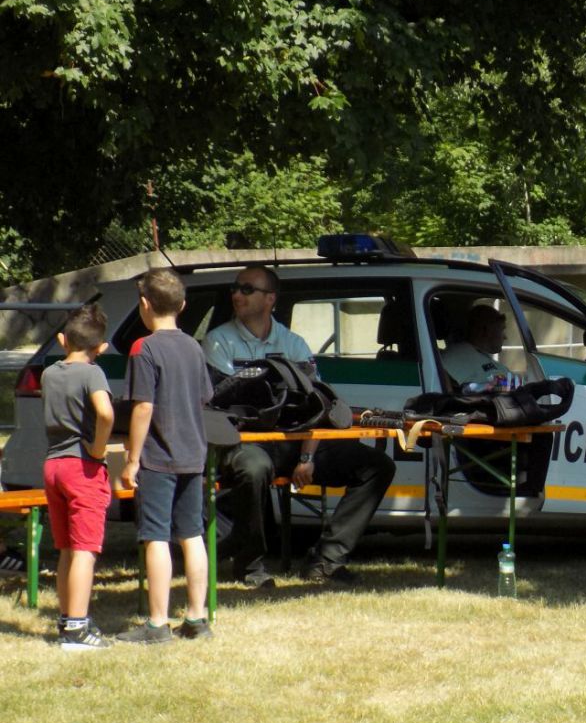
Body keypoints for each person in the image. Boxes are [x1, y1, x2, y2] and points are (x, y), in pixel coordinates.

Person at [203, 264, 395, 586]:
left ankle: (326, 561)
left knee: (377, 466)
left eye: (247, 289)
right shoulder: (218, 341)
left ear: (270, 299)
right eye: (235, 288)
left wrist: (307, 456)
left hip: (294, 442)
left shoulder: (294, 343)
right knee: (253, 469)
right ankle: (249, 566)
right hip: (246, 442)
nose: (237, 294)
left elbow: (318, 405)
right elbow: (223, 404)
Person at [118, 269, 214, 644]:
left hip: (158, 457)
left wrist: (132, 460)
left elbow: (143, 406)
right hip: (194, 453)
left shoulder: (144, 348)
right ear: (183, 305)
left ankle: (157, 624)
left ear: (144, 304)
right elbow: (203, 397)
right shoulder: (194, 347)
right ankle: (197, 617)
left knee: (156, 536)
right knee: (192, 534)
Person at [41, 304, 115, 650]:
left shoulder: (49, 373)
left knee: (66, 548)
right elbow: (105, 413)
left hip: (53, 466)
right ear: (101, 348)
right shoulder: (92, 373)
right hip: (82, 467)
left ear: (61, 340)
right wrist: (98, 449)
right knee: (85, 548)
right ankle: (77, 628)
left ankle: (66, 618)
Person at [441, 304, 513, 388]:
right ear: (486, 330)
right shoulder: (455, 358)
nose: (505, 337)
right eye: (501, 330)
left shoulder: (482, 357)